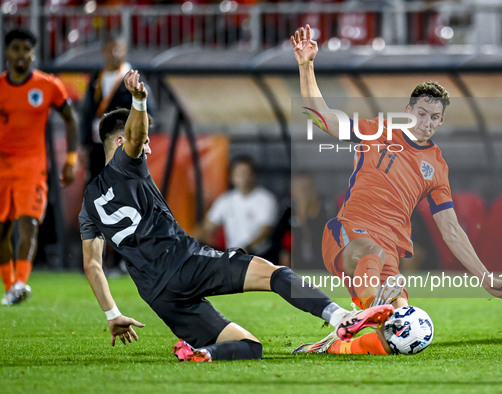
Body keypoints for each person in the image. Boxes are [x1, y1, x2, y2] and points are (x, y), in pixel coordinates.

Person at [79, 70, 395, 362]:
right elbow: (135, 139)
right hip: (184, 263)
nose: (147, 150)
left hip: (157, 295)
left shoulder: (88, 203)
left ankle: (203, 353)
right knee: (277, 274)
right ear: (120, 142)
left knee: (249, 348)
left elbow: (92, 265)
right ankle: (341, 317)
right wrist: (139, 100)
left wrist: (112, 314)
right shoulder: (126, 164)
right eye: (145, 142)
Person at [291, 25, 502, 355]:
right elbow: (323, 118)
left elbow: (451, 229)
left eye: (435, 117)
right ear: (409, 110)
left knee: (403, 335)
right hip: (348, 235)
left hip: (389, 255)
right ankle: (368, 312)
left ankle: (334, 345)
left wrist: (485, 277)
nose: (426, 122)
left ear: (441, 122)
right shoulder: (377, 130)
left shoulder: (437, 167)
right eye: (422, 113)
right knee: (370, 252)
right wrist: (306, 65)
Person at [0, 27, 78, 306]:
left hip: (32, 166)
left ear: (33, 53)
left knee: (29, 223)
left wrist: (70, 160)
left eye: (26, 49)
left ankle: (21, 281)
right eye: (16, 48)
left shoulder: (48, 85)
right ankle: (11, 287)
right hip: (2, 167)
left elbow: (71, 119)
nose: (21, 54)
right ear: (7, 52)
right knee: (2, 230)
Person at [80, 34, 156, 183]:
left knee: (123, 190)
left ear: (125, 51)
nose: (113, 54)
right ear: (103, 52)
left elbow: (150, 114)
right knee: (96, 190)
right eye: (109, 49)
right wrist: (83, 144)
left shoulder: (134, 79)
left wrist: (137, 141)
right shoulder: (96, 78)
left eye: (117, 49)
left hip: (123, 147)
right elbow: (87, 113)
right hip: (98, 146)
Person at [199, 156, 278, 257]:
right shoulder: (225, 200)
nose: (243, 177)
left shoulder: (266, 199)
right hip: (233, 257)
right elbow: (207, 227)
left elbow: (265, 230)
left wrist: (246, 248)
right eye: (239, 174)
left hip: (260, 256)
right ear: (231, 177)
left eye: (246, 173)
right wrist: (188, 242)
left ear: (253, 175)